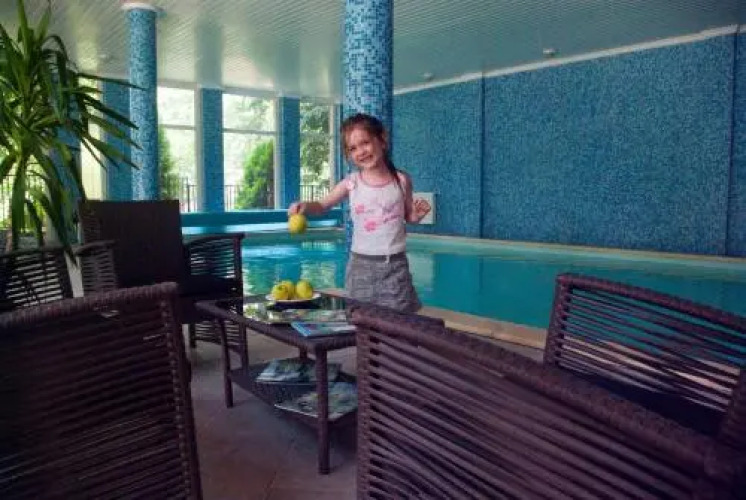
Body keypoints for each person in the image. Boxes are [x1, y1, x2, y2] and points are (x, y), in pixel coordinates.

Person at [288, 113, 431, 313]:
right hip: (361, 265)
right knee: (361, 317)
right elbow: (322, 205)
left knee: (400, 319)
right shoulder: (351, 183)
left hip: (395, 265)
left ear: (382, 139)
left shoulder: (401, 180)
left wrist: (418, 215)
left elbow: (408, 216)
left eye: (365, 143)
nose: (360, 152)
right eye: (353, 148)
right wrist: (304, 206)